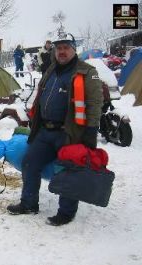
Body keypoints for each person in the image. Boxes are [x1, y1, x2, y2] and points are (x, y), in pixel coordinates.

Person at [7, 33, 103, 226]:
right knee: (29, 162)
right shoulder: (51, 69)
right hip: (45, 130)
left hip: (69, 133)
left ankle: (66, 212)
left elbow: (94, 103)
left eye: (66, 47)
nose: (62, 51)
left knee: (68, 170)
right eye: (59, 48)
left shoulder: (87, 71)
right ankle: (29, 203)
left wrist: (90, 133)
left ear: (74, 49)